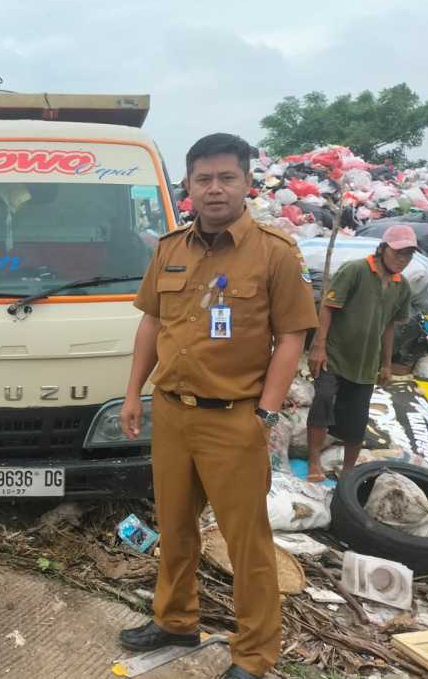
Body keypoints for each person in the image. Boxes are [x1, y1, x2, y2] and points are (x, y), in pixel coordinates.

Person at [119, 133, 318, 679]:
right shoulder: (170, 249)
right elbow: (151, 324)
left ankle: (254, 656)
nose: (214, 189)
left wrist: (267, 414)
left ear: (247, 183)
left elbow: (293, 339)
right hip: (172, 413)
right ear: (188, 186)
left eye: (226, 178)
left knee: (246, 543)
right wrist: (135, 393)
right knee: (175, 526)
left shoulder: (274, 253)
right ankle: (175, 619)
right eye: (203, 179)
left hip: (235, 418)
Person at [305, 225, 416, 482]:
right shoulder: (356, 270)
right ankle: (313, 464)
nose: (403, 259)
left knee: (357, 421)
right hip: (334, 356)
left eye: (408, 255)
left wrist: (386, 364)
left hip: (366, 363)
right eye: (398, 252)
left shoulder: (402, 286)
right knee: (322, 402)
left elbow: (389, 327)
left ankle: (348, 473)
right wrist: (318, 347)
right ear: (383, 249)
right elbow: (328, 308)